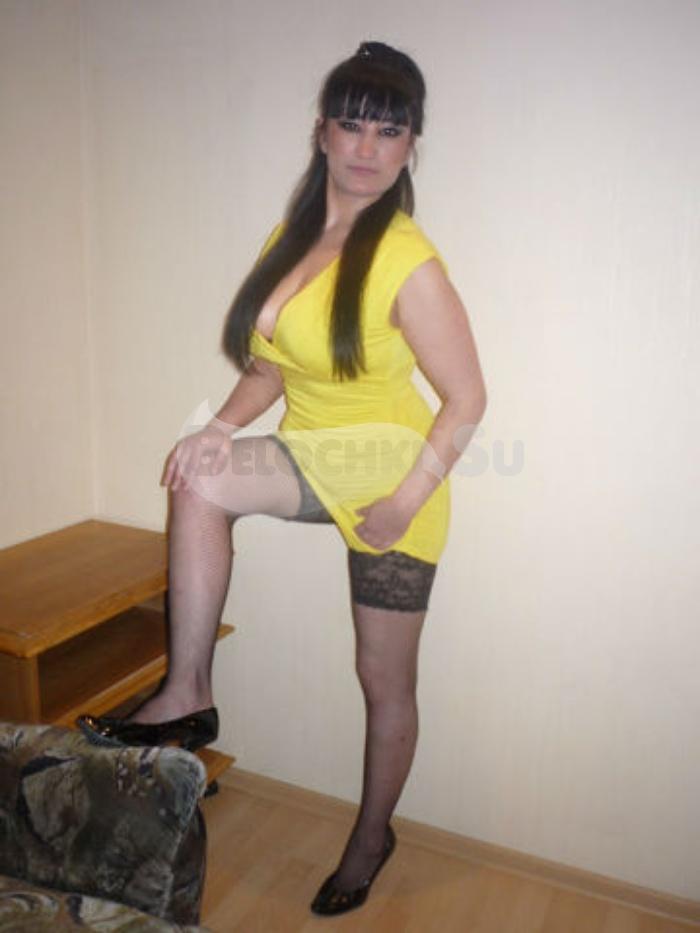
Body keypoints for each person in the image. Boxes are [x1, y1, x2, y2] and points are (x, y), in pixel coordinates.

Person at [78, 40, 487, 916]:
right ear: (322, 132)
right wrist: (218, 428)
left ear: (412, 146)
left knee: (382, 680)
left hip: (394, 472)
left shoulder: (406, 257)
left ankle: (372, 835)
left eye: (389, 130)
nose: (367, 147)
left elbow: (466, 399)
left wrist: (407, 498)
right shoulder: (291, 238)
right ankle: (188, 692)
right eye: (352, 124)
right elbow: (272, 368)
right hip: (313, 448)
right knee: (199, 478)